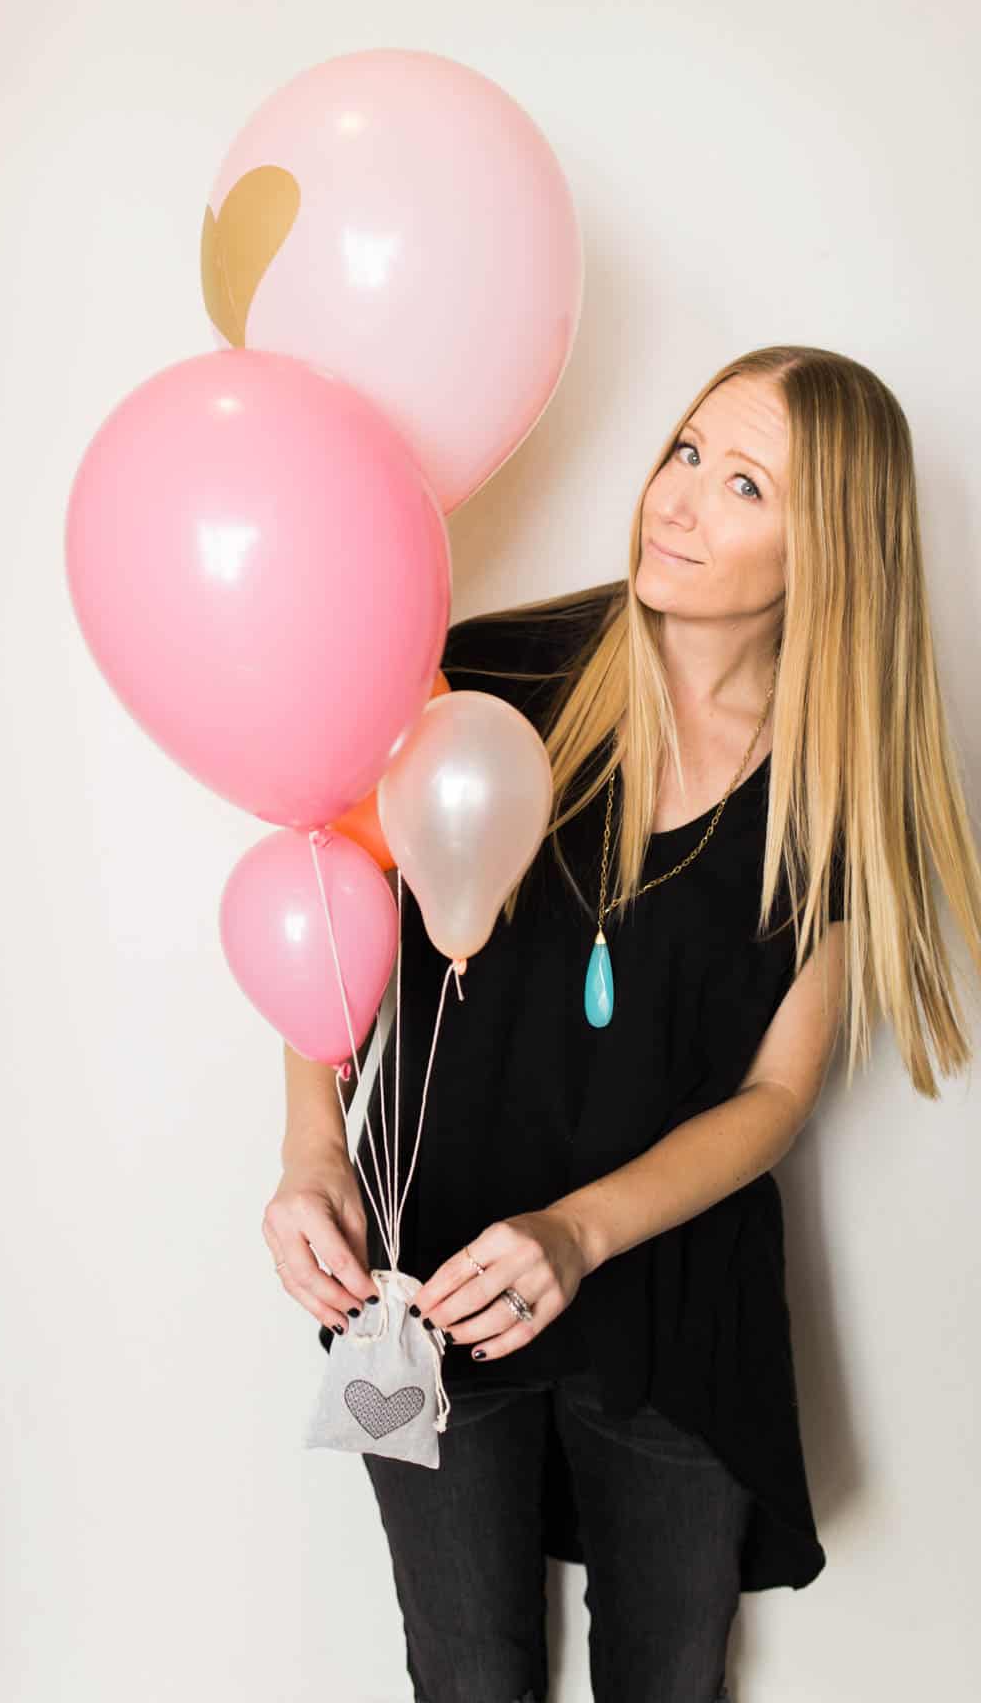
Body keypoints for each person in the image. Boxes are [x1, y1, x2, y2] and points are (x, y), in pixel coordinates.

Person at [263, 344, 981, 1703]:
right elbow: (325, 913)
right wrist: (311, 1148)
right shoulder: (486, 676)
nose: (682, 496)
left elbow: (777, 1093)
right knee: (468, 1674)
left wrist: (581, 1232)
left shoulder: (839, 790)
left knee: (670, 1674)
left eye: (747, 482)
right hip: (427, 1287)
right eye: (688, 451)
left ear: (834, 552)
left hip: (675, 1306)